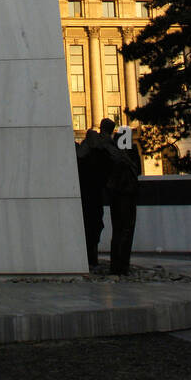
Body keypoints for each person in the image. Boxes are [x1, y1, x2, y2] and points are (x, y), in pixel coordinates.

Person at [98, 118, 141, 276]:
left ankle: (116, 265)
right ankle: (122, 265)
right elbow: (138, 170)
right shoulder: (129, 149)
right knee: (126, 229)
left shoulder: (110, 149)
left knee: (118, 230)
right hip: (127, 193)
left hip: (115, 193)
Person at [76, 130, 108, 272]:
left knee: (90, 229)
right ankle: (91, 258)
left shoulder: (80, 154)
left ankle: (89, 257)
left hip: (86, 198)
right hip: (92, 197)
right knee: (93, 228)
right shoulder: (96, 154)